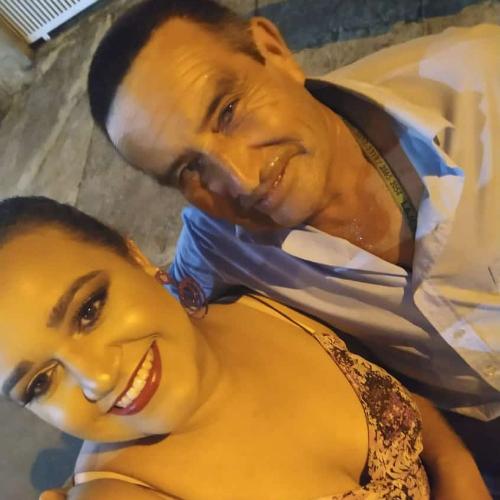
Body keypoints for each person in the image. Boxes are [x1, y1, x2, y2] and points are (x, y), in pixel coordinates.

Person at [86, 0, 500, 432]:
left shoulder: (484, 82)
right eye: (190, 169)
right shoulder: (218, 244)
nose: (243, 179)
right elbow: (162, 325)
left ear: (274, 51)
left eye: (228, 112)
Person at [0, 196, 492, 500]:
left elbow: (407, 405)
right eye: (40, 383)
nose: (98, 378)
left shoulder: (263, 302)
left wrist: (458, 469)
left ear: (135, 256)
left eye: (89, 310)